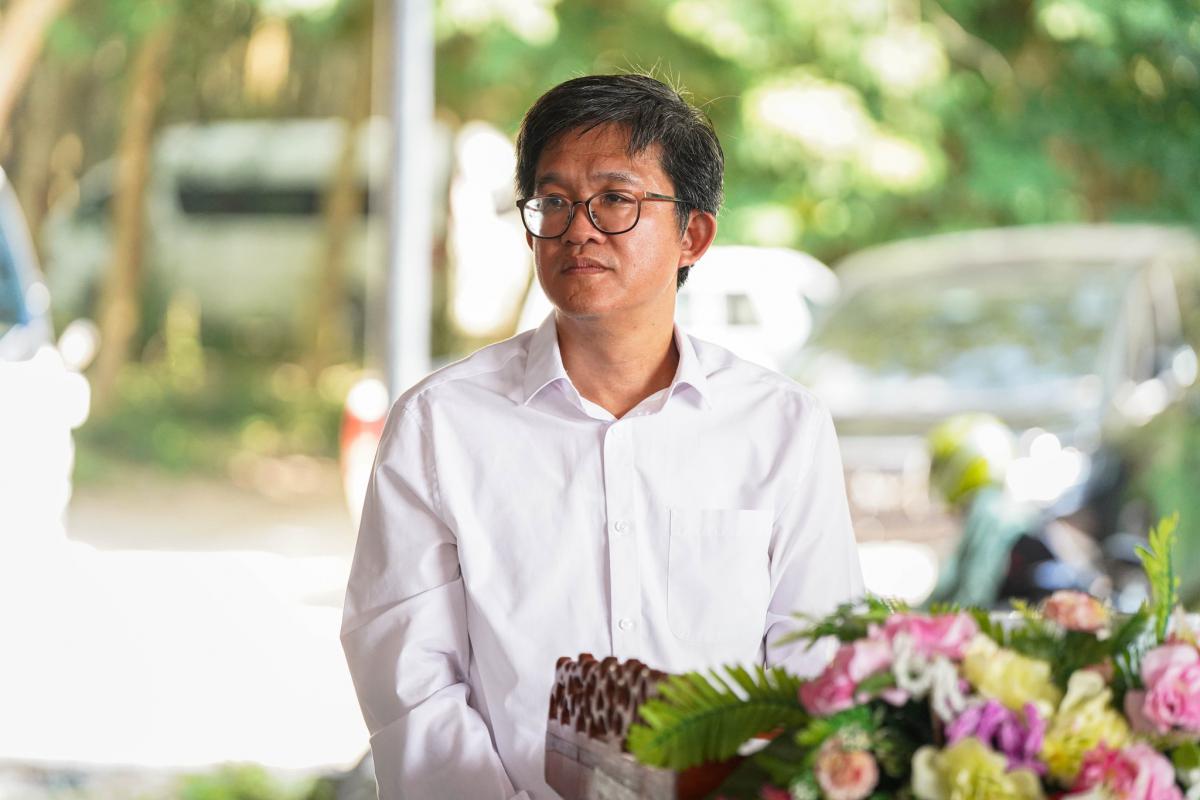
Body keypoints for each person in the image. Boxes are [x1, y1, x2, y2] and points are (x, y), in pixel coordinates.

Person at [340, 74, 865, 800]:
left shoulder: (781, 426)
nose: (578, 228)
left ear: (693, 235)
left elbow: (819, 663)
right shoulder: (441, 425)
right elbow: (408, 679)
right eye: (554, 201)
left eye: (616, 199)